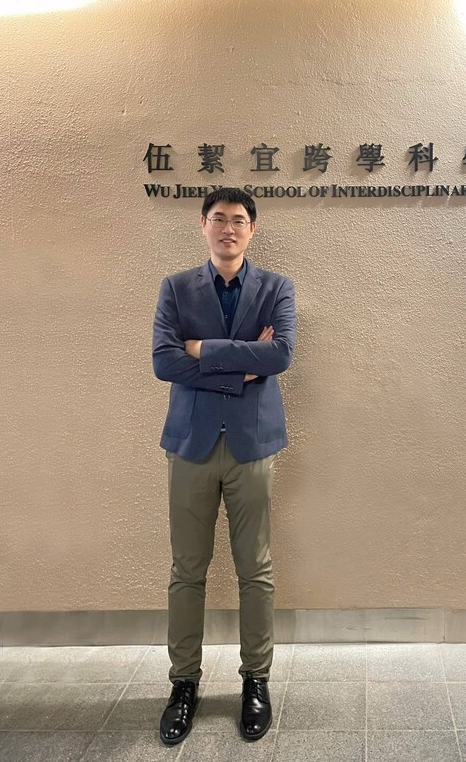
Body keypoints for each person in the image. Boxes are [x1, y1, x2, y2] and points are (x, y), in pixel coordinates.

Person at [152, 187, 296, 746]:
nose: (228, 228)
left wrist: (200, 349)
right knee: (186, 569)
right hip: (190, 443)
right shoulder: (176, 287)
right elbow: (164, 361)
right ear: (203, 225)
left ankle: (255, 680)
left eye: (238, 220)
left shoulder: (276, 288)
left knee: (255, 568)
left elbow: (280, 355)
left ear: (252, 229)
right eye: (218, 218)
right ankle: (183, 684)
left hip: (252, 444)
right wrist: (242, 367)